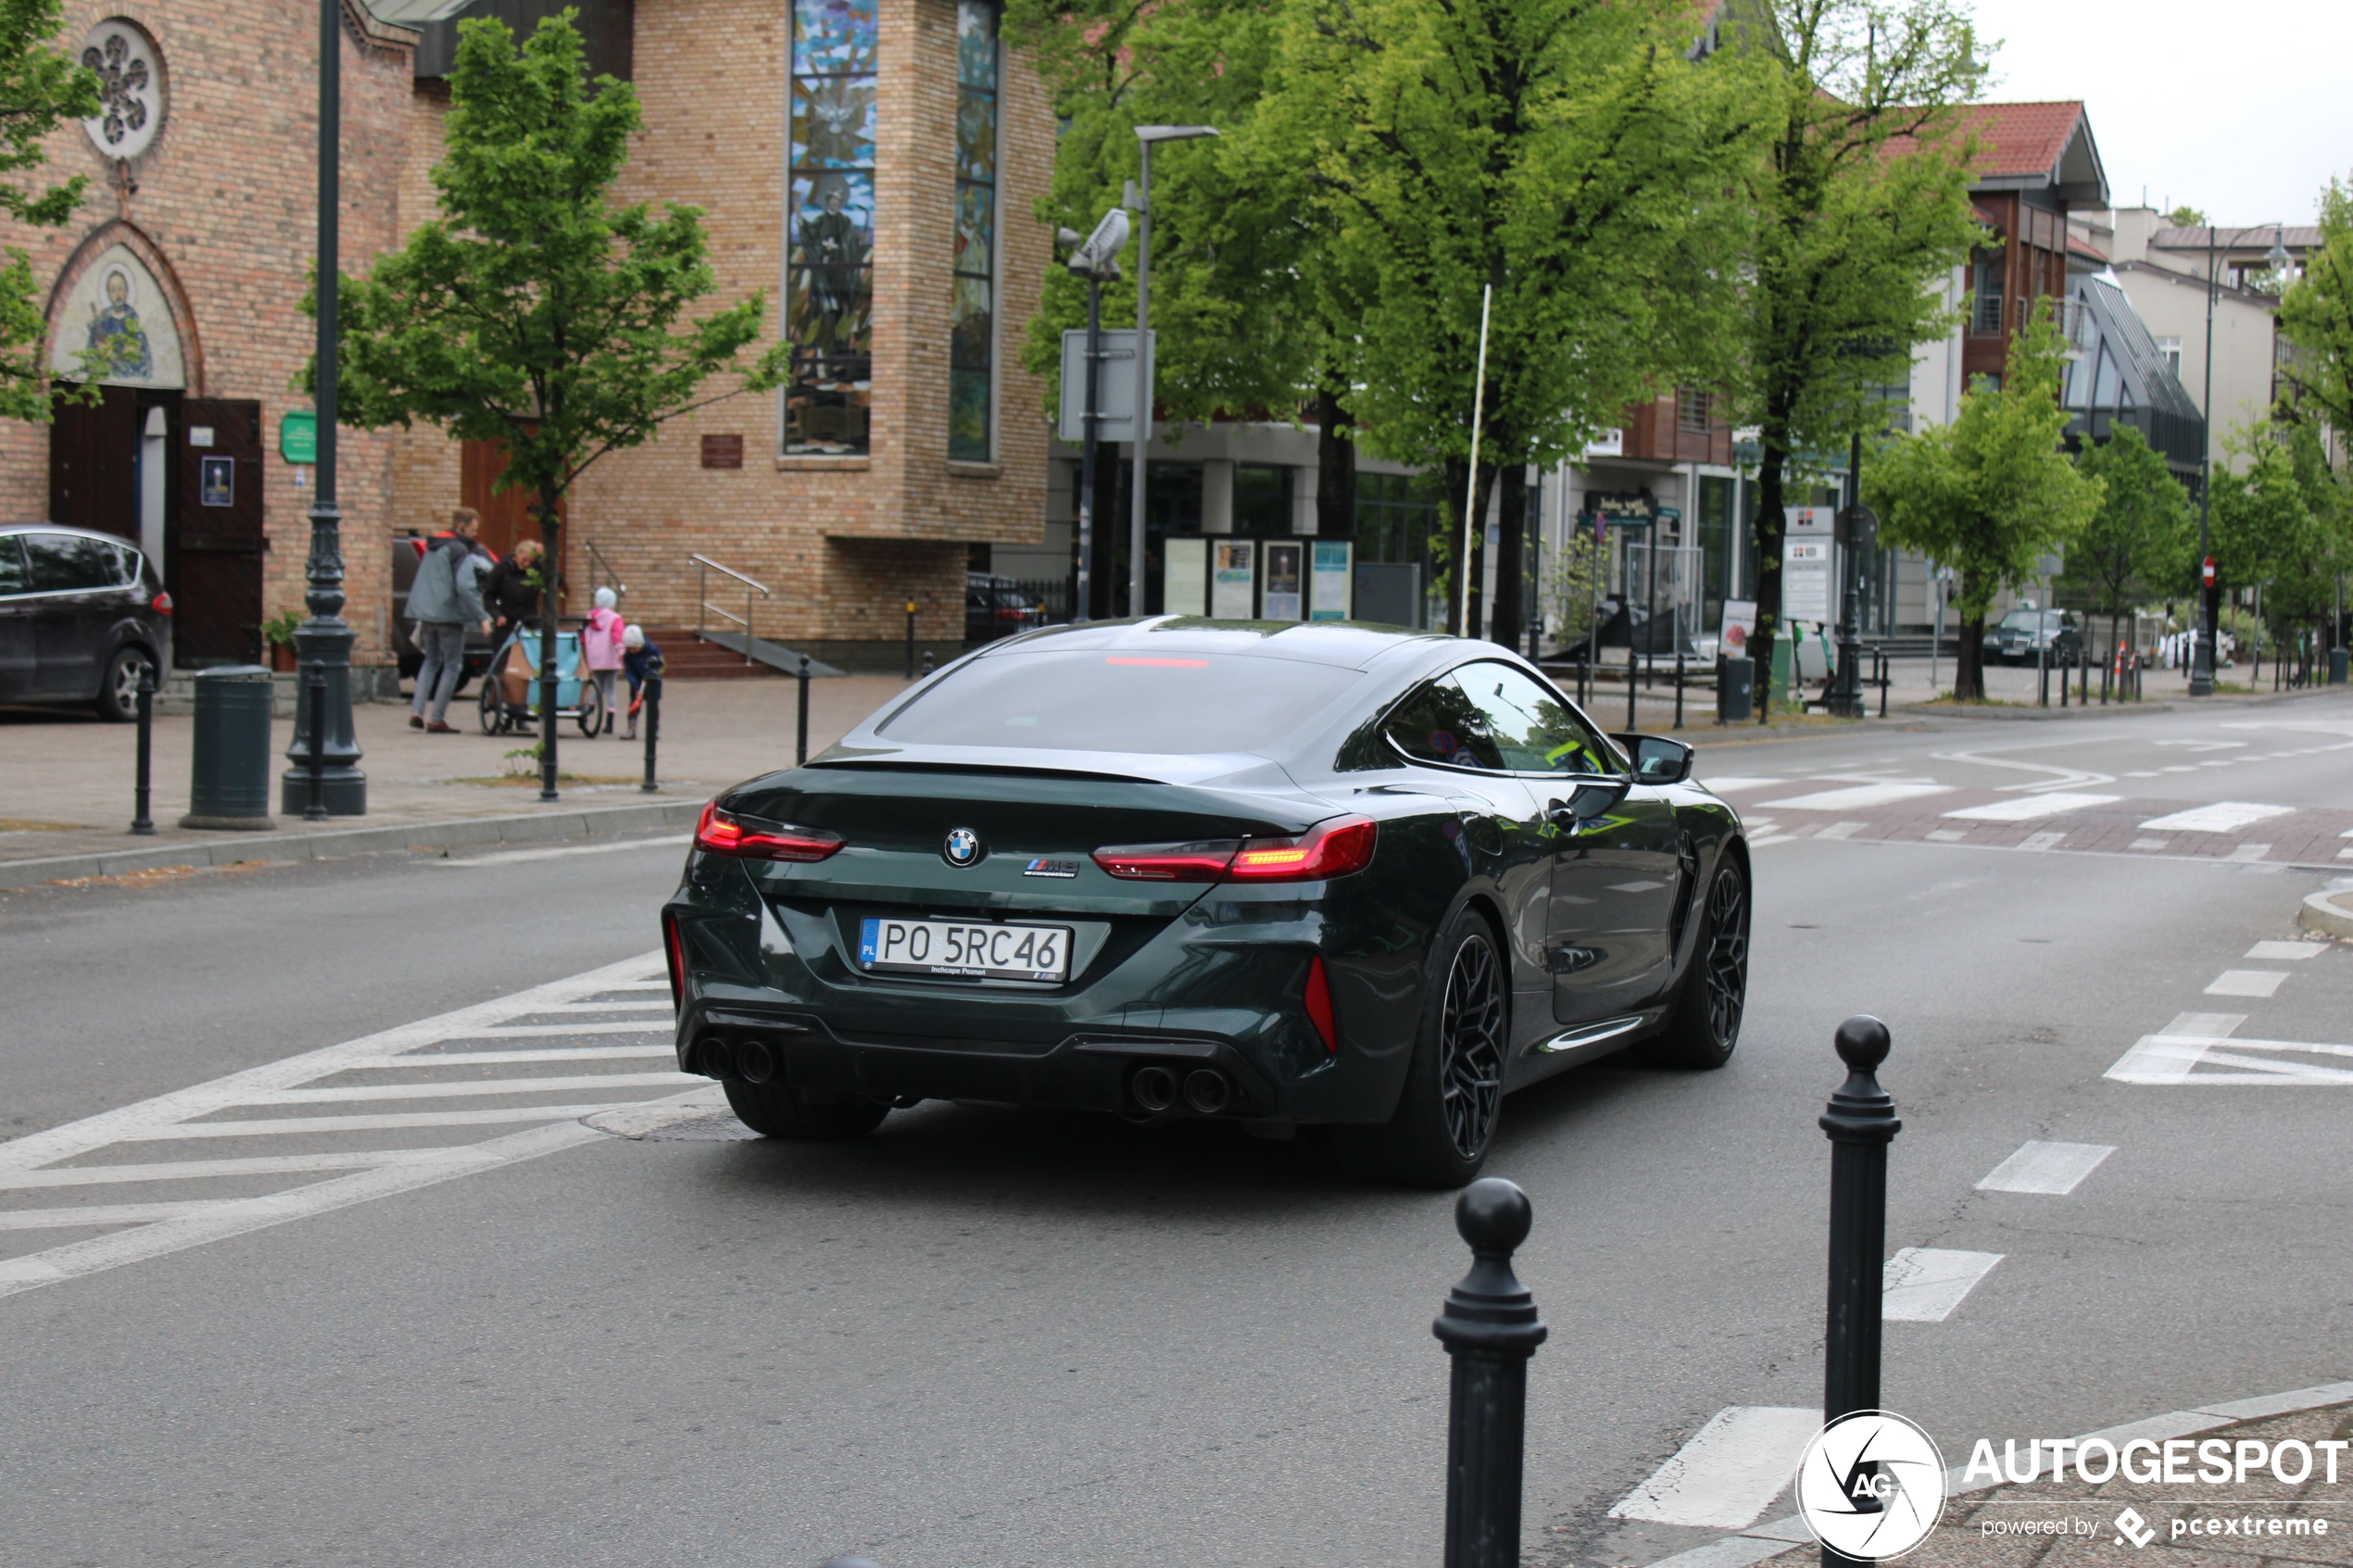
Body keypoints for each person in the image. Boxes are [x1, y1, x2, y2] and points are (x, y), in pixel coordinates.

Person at [408, 508, 490, 733]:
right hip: (448, 615)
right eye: (472, 530)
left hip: (427, 613)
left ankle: (417, 711)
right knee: (453, 665)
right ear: (462, 527)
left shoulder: (433, 546)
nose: (474, 535)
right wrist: (481, 617)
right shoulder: (458, 549)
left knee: (430, 661)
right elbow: (465, 586)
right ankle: (436, 718)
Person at [582, 585, 625, 735]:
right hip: (611, 658)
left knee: (597, 686)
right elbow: (617, 637)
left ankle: (588, 711)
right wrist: (620, 652)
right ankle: (609, 723)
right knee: (611, 690)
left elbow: (583, 636)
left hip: (594, 657)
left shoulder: (590, 617)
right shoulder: (615, 618)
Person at [484, 538, 544, 643]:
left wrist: (545, 559)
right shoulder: (502, 569)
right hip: (507, 622)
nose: (526, 564)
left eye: (531, 561)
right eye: (524, 560)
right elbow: (489, 596)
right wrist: (497, 615)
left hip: (530, 621)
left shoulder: (537, 569)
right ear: (517, 554)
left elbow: (557, 580)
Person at [622, 624, 663, 741]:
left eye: (634, 648)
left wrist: (651, 675)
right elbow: (629, 671)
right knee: (634, 706)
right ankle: (631, 729)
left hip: (652, 683)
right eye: (629, 649)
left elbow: (661, 666)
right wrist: (635, 687)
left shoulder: (652, 650)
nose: (632, 651)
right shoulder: (628, 656)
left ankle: (654, 730)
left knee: (653, 707)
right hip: (636, 683)